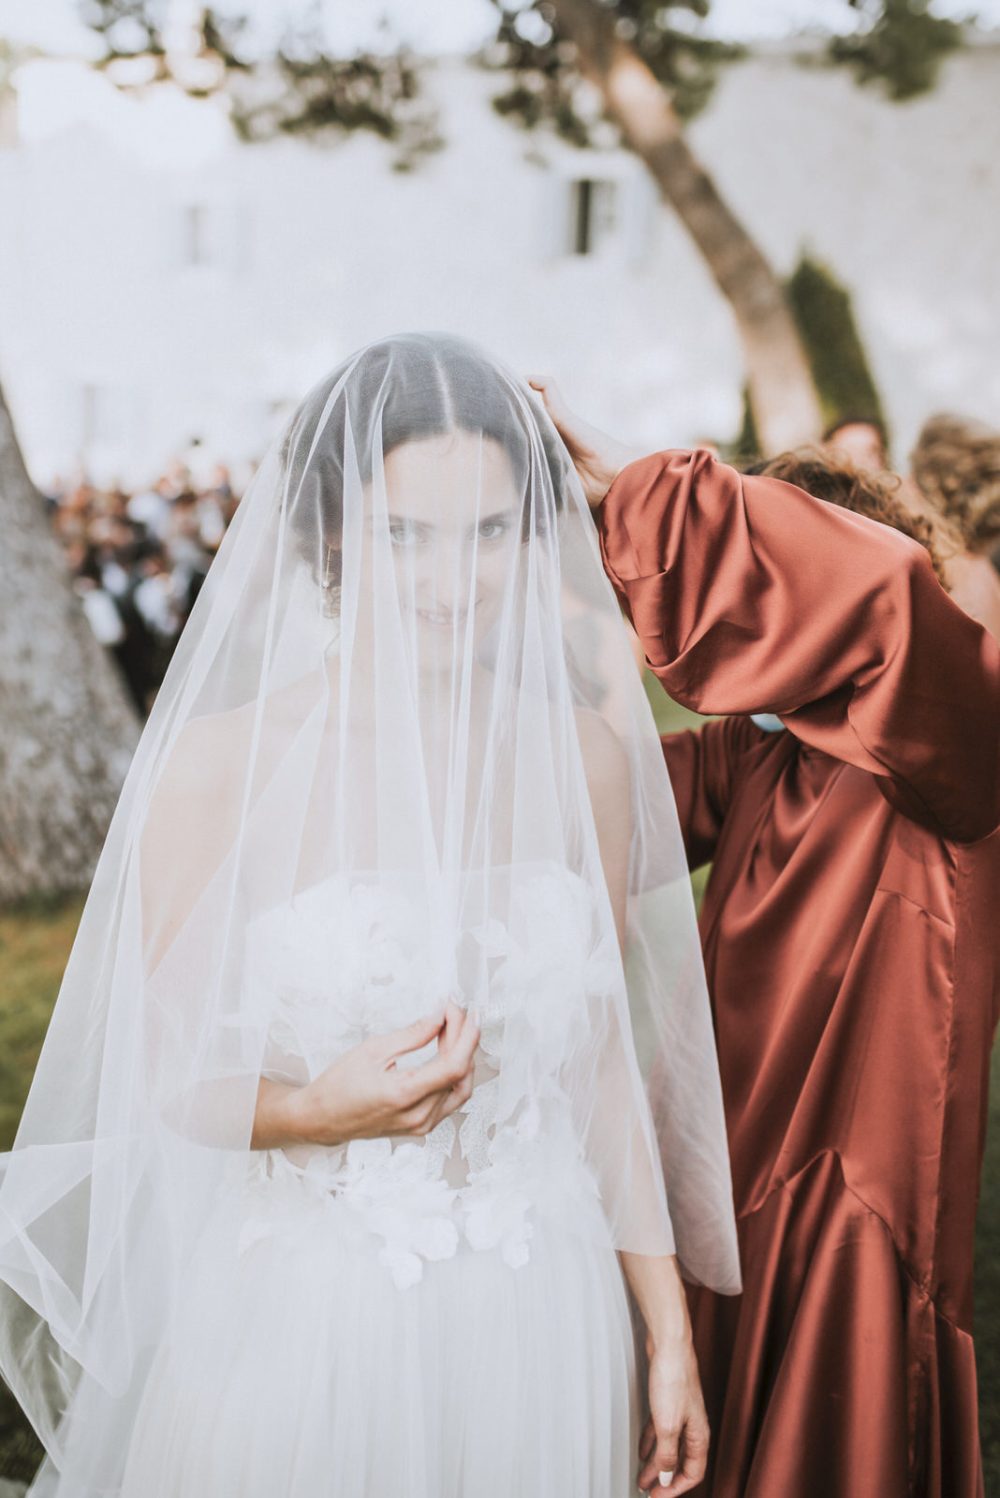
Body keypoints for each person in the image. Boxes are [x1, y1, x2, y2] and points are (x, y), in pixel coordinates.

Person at [0, 334, 740, 1498]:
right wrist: (308, 1108)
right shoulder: (217, 768)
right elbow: (165, 1076)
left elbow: (599, 1072)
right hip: (308, 1322)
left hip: (540, 1308)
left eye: (491, 532)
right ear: (331, 536)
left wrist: (666, 1333)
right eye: (407, 535)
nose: (456, 578)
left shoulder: (585, 759)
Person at [529, 379, 1000, 1498]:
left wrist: (646, 488)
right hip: (722, 1152)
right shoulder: (759, 751)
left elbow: (880, 589)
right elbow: (609, 797)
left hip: (853, 1180)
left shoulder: (952, 745)